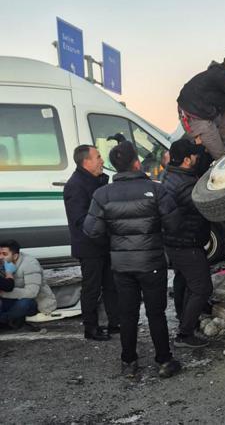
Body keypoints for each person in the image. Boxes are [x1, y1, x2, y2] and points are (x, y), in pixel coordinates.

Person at [83, 141, 182, 379]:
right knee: (156, 313)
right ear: (136, 162)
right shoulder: (156, 190)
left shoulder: (102, 194)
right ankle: (164, 360)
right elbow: (174, 225)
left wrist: (113, 240)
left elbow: (91, 230)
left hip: (122, 265)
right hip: (152, 263)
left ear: (115, 166)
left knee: (127, 314)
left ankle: (129, 362)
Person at [63, 145, 120, 341]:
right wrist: (105, 226)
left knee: (111, 285)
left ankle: (115, 323)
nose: (102, 160)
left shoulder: (97, 180)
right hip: (89, 246)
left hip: (103, 243)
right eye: (98, 157)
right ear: (86, 162)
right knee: (92, 288)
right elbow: (80, 221)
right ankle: (91, 328)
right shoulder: (75, 185)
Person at [162, 139, 213, 349]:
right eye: (194, 156)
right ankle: (185, 333)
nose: (197, 158)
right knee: (202, 287)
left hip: (176, 242)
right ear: (185, 160)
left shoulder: (171, 174)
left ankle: (184, 317)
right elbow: (204, 205)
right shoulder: (186, 185)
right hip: (186, 243)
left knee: (183, 281)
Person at [0, 240, 56, 328]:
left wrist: (3, 293)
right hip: (12, 297)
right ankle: (12, 320)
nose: (1, 257)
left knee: (23, 304)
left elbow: (32, 293)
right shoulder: (3, 264)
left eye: (4, 254)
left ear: (15, 256)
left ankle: (4, 320)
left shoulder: (29, 264)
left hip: (34, 300)